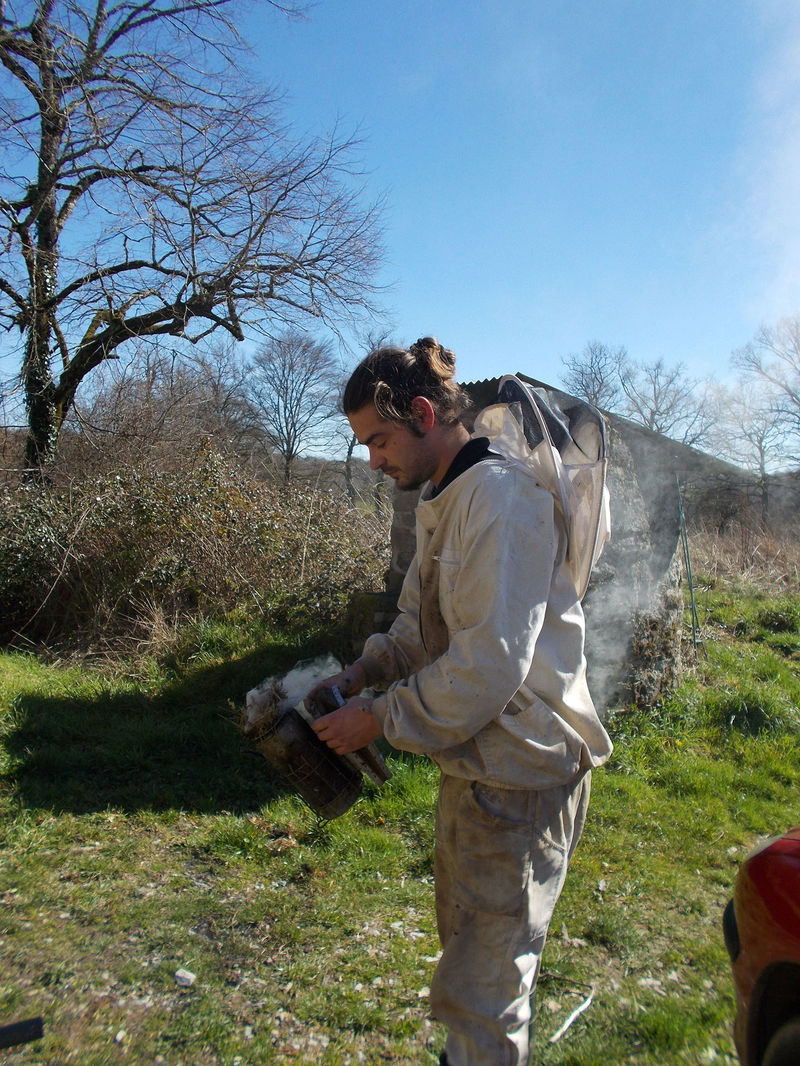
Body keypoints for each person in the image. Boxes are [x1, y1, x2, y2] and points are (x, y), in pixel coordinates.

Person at [310, 337, 613, 1066]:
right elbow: (420, 622)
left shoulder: (502, 499)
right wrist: (361, 674)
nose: (372, 460)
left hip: (524, 772)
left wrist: (379, 717)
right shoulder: (447, 492)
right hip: (484, 766)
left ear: (422, 413)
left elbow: (487, 665)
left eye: (378, 440)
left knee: (487, 991)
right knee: (472, 965)